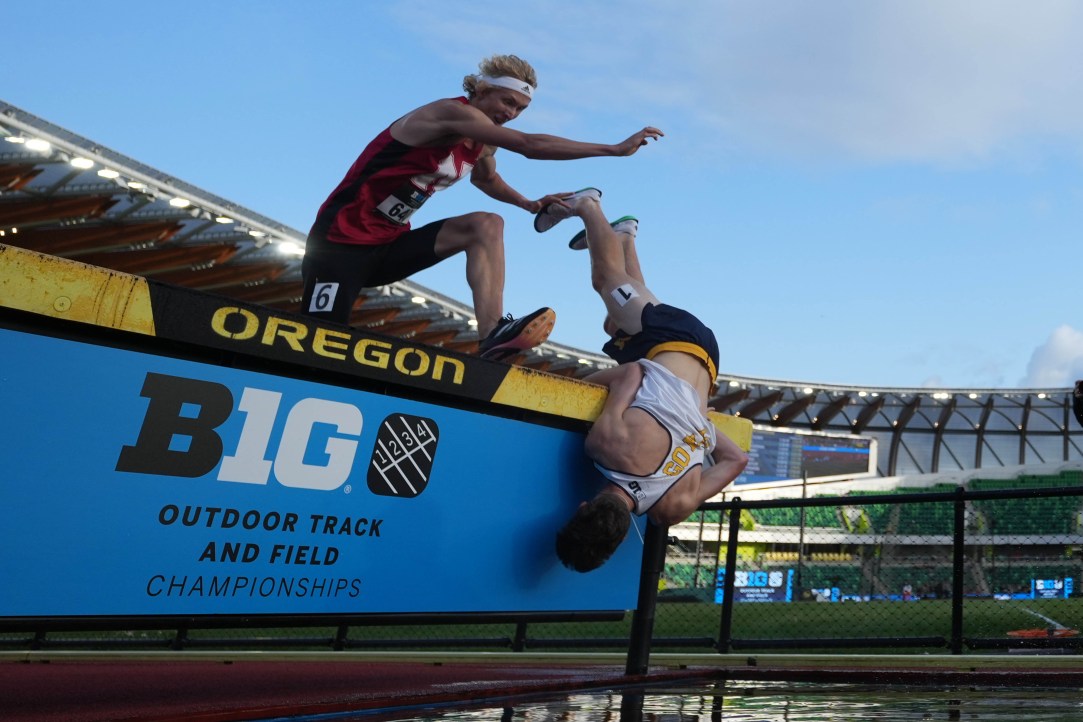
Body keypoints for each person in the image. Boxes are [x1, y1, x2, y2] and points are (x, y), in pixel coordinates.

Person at [300, 54, 663, 360]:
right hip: (340, 246)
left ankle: (492, 332)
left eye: (520, 108)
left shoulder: (482, 143)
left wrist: (529, 203)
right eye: (507, 102)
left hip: (388, 245)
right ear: (481, 89)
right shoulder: (449, 114)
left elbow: (486, 180)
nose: (512, 113)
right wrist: (612, 150)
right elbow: (528, 144)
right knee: (319, 343)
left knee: (486, 224)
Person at [543, 192, 749, 572]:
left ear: (622, 537)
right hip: (672, 342)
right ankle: (589, 206)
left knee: (619, 321)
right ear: (582, 507)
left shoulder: (672, 508)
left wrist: (700, 424)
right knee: (605, 280)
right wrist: (575, 386)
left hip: (706, 363)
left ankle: (624, 236)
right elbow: (633, 373)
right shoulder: (605, 446)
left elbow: (736, 458)